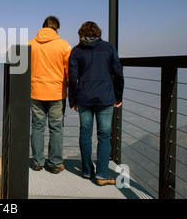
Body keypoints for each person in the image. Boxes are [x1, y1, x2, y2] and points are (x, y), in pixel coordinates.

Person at [68, 21, 124, 186]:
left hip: (84, 97)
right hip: (105, 97)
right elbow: (118, 74)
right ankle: (102, 174)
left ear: (81, 34)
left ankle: (86, 171)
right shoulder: (108, 48)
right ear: (98, 33)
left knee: (85, 134)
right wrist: (118, 97)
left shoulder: (77, 51)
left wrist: (72, 99)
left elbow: (72, 78)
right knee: (104, 135)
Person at [28, 16, 72, 173]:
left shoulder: (30, 44)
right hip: (57, 93)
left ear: (43, 27)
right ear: (57, 29)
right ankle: (55, 164)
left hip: (35, 92)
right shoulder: (64, 46)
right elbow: (70, 71)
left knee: (37, 127)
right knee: (56, 128)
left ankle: (37, 162)